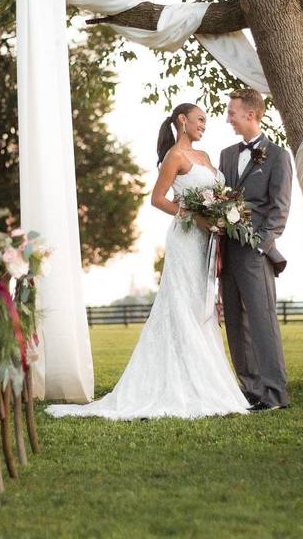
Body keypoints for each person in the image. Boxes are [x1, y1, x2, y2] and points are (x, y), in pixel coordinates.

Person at [45, 103, 249, 420]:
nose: (203, 125)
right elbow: (157, 198)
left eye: (206, 121)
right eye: (199, 119)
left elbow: (218, 195)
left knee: (201, 307)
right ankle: (181, 386)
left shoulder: (206, 158)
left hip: (208, 241)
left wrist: (222, 214)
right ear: (182, 121)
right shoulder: (175, 157)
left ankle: (206, 380)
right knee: (181, 304)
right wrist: (191, 214)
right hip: (185, 239)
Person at [218, 88, 292, 412]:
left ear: (251, 114)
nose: (227, 118)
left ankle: (274, 395)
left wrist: (261, 246)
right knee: (235, 323)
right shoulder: (225, 155)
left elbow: (280, 209)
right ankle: (249, 391)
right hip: (227, 250)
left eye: (232, 112)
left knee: (262, 322)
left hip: (255, 252)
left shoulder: (277, 156)